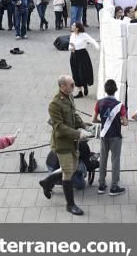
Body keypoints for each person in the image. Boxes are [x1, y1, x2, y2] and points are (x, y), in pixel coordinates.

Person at [40, 76, 92, 216]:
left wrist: (83, 126)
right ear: (63, 86)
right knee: (68, 173)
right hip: (62, 143)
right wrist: (78, 134)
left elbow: (74, 115)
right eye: (71, 85)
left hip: (72, 141)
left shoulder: (69, 97)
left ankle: (47, 181)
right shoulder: (55, 104)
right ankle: (70, 205)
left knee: (72, 167)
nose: (74, 86)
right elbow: (59, 127)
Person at [93, 79, 127, 197]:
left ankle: (101, 185)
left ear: (105, 90)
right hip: (116, 136)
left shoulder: (99, 102)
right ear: (116, 90)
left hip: (104, 135)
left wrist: (102, 121)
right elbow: (126, 122)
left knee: (103, 159)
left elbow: (93, 120)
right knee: (115, 160)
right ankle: (114, 186)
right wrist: (117, 121)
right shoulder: (120, 105)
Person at [68, 22, 98, 98]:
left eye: (73, 26)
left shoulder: (84, 35)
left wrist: (98, 47)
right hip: (74, 55)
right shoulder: (72, 35)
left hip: (82, 55)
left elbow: (92, 41)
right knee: (75, 73)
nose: (72, 26)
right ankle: (79, 91)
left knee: (83, 72)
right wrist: (71, 48)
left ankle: (85, 85)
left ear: (77, 28)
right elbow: (70, 46)